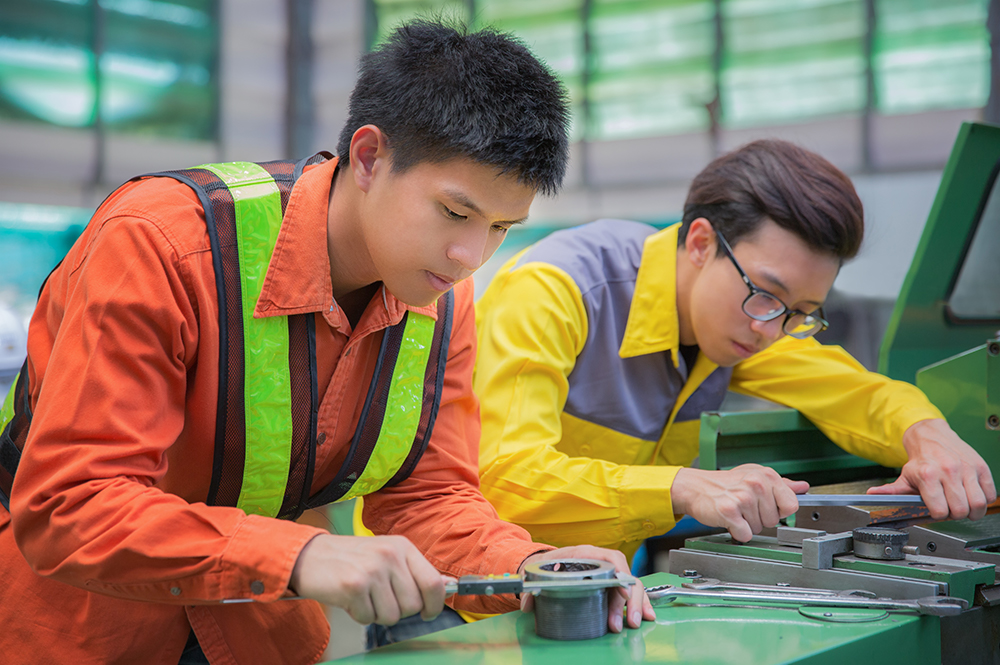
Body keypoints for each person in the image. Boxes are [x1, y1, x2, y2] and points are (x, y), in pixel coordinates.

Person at [0, 21, 652, 665]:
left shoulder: (439, 298)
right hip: (72, 624)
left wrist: (530, 567)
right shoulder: (161, 245)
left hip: (251, 626)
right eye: (455, 212)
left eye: (502, 227)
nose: (468, 256)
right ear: (369, 157)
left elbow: (427, 497)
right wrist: (303, 553)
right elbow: (70, 505)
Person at [473, 139, 997, 561]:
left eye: (801, 312)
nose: (771, 330)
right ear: (700, 243)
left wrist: (928, 437)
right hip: (468, 599)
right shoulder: (554, 291)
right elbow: (506, 476)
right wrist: (683, 487)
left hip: (599, 589)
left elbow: (855, 393)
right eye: (767, 295)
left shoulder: (747, 320)